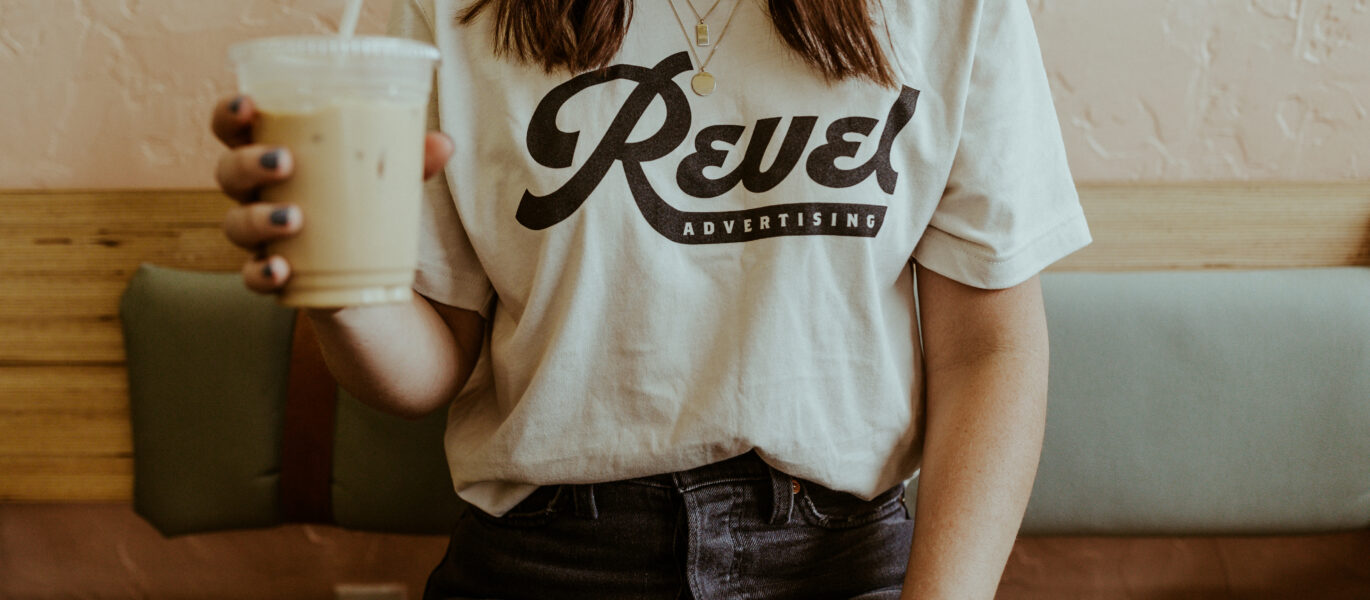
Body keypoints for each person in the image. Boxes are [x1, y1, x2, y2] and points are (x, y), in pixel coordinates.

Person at [211, 0, 1090, 597]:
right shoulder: (454, 12)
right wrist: (330, 274)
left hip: (844, 556)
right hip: (545, 557)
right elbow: (427, 364)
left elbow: (990, 347)